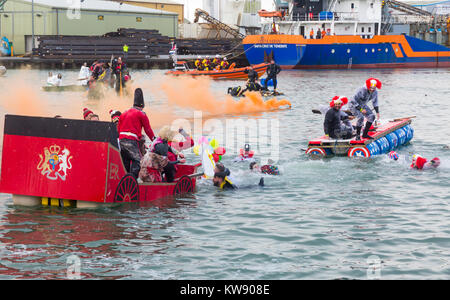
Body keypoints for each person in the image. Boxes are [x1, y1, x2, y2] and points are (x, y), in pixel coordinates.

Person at [118, 88, 156, 179]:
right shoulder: (141, 114)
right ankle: (132, 180)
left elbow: (118, 128)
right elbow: (148, 129)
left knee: (125, 162)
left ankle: (125, 179)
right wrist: (154, 140)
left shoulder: (124, 113)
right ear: (142, 106)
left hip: (121, 141)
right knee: (138, 161)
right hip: (131, 141)